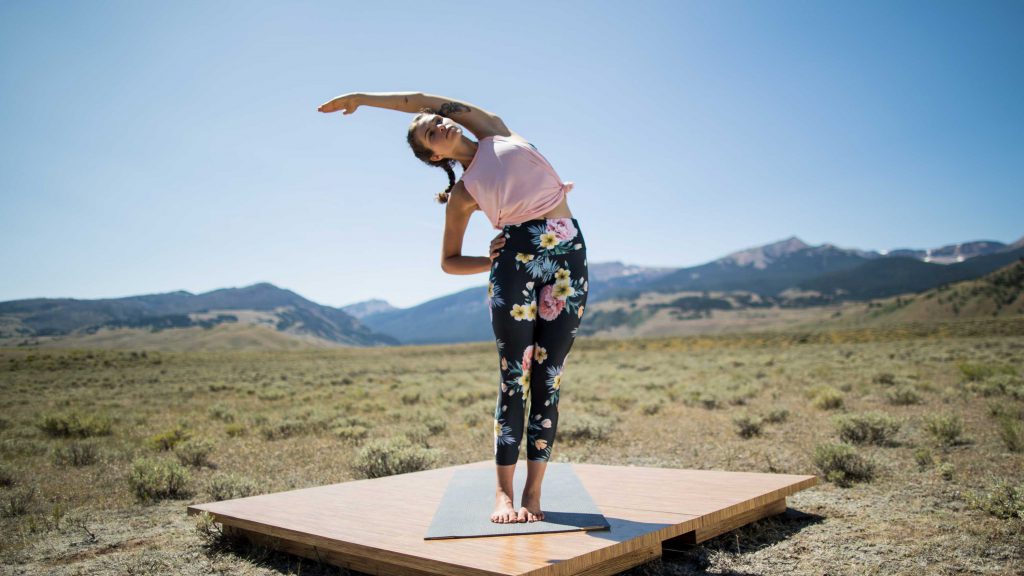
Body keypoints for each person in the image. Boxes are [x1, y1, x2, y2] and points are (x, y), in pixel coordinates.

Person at [317, 92, 588, 525]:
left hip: (567, 255)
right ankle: (502, 494)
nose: (438, 123)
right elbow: (449, 261)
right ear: (431, 154)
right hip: (515, 264)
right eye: (429, 131)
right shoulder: (464, 193)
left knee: (549, 376)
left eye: (435, 120)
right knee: (514, 377)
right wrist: (493, 260)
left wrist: (364, 99)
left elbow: (423, 99)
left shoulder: (494, 130)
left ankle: (533, 492)